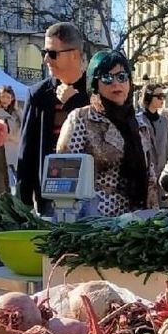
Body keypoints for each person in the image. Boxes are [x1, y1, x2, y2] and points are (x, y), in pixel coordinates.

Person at [56, 50, 155, 216]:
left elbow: (150, 176)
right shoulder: (81, 119)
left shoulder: (140, 124)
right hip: (94, 224)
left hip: (135, 222)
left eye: (122, 76)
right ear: (95, 84)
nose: (116, 83)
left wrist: (152, 216)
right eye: (107, 78)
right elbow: (63, 177)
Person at [19, 22, 89, 211]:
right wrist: (21, 205)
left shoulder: (95, 94)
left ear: (74, 54)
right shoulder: (38, 94)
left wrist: (74, 104)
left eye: (52, 53)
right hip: (48, 198)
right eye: (45, 53)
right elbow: (27, 153)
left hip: (90, 198)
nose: (46, 60)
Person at [137, 83, 168, 185]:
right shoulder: (138, 121)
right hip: (144, 176)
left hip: (162, 176)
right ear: (148, 97)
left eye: (164, 96)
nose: (162, 99)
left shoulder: (165, 121)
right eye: (159, 96)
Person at [0, 85, 23, 182]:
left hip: (15, 150)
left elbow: (24, 127)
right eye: (3, 96)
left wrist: (17, 109)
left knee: (18, 181)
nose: (5, 100)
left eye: (8, 97)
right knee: (1, 181)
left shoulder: (17, 112)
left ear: (12, 99)